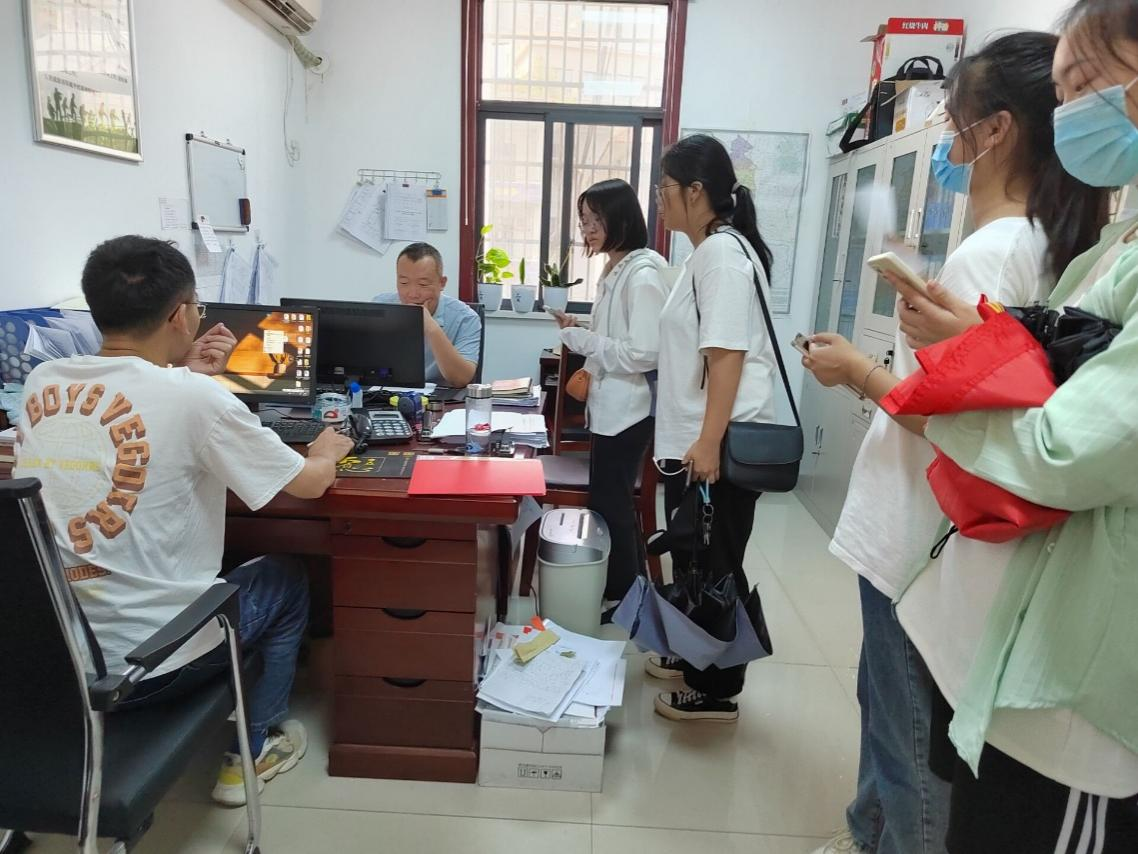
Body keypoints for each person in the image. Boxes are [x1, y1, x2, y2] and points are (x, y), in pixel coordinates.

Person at [807, 2, 1138, 847]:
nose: (945, 144)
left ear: (994, 132)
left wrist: (859, 371)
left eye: (951, 124)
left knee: (907, 745)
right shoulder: (1065, 244)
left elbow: (1008, 423)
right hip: (954, 534)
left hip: (930, 535)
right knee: (898, 728)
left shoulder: (998, 250)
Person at [13, 236, 356, 807]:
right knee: (288, 577)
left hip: (53, 656)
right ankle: (253, 746)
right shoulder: (195, 397)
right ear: (179, 315)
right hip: (147, 665)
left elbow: (134, 401)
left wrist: (183, 372)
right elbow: (308, 484)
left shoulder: (42, 382)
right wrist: (325, 450)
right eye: (197, 306)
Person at [647, 134, 779, 723]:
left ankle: (716, 689)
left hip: (715, 444)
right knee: (696, 557)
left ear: (696, 192)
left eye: (666, 189)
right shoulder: (708, 252)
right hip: (699, 439)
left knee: (716, 563)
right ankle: (693, 655)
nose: (659, 200)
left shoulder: (722, 255)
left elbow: (727, 355)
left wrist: (707, 442)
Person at [554, 179, 669, 604]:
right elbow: (619, 335)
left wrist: (582, 341)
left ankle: (625, 596)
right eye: (583, 220)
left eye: (596, 220)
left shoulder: (642, 274)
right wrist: (583, 329)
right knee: (609, 501)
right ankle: (624, 589)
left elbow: (644, 352)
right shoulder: (618, 268)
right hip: (612, 407)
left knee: (613, 504)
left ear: (621, 218)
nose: (587, 229)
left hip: (629, 410)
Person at [373, 242, 482, 387]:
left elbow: (461, 379)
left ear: (442, 283)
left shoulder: (466, 319)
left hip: (440, 397)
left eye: (423, 284)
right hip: (387, 394)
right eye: (404, 283)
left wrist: (431, 327)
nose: (412, 294)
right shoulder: (381, 307)